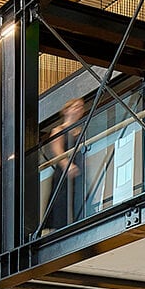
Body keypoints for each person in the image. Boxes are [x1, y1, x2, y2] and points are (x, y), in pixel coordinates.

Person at [40, 97, 84, 233]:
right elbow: (57, 150)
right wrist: (66, 165)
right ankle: (60, 229)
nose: (79, 109)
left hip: (77, 173)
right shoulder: (59, 129)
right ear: (66, 110)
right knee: (62, 200)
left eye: (81, 107)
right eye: (75, 106)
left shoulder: (80, 130)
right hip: (64, 172)